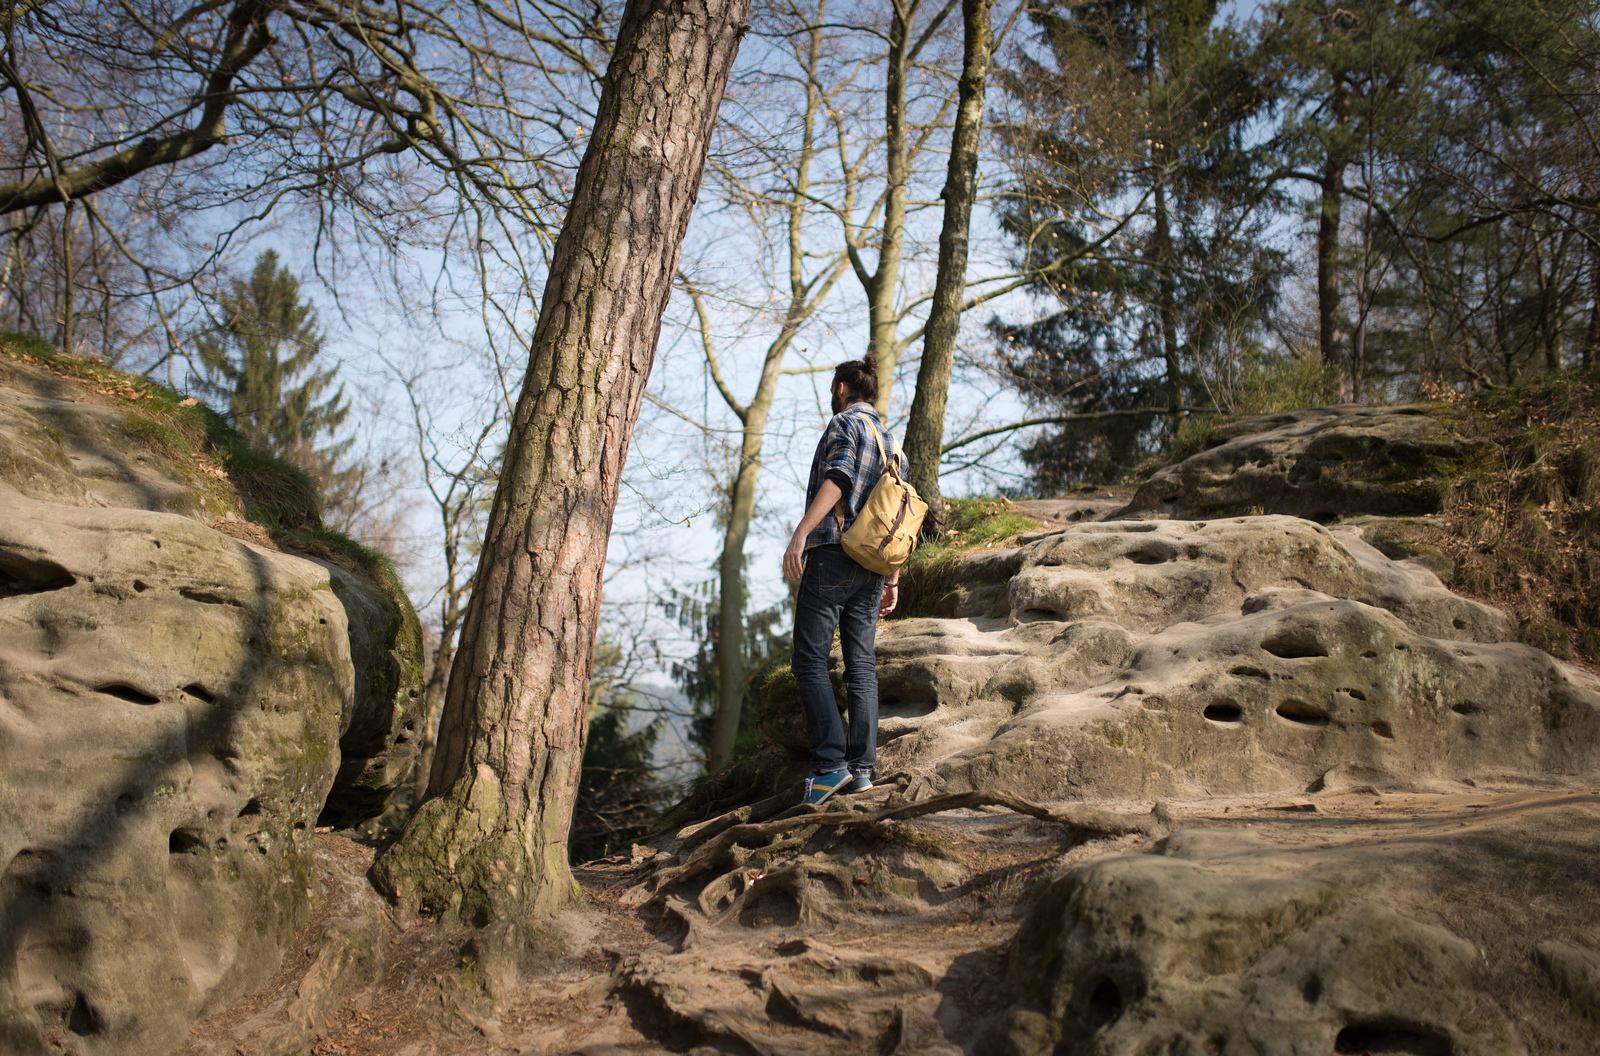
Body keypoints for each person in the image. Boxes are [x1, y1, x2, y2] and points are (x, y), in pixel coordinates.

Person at [782, 354, 902, 806]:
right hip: (872, 565)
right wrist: (892, 576)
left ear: (841, 390)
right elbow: (895, 514)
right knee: (861, 666)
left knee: (809, 659)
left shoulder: (844, 427)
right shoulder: (892, 442)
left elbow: (839, 476)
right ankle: (862, 769)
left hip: (833, 552)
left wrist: (801, 533)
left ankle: (831, 766)